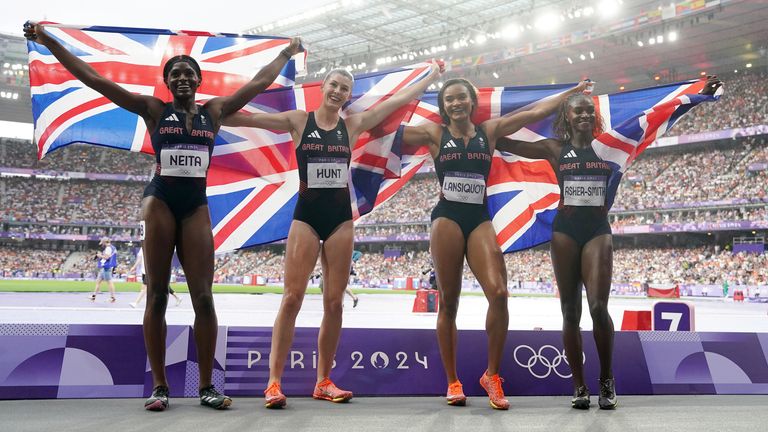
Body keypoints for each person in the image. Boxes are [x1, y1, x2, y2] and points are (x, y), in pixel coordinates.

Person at [25, 22, 304, 411]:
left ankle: (207, 385)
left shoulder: (215, 111)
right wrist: (49, 41)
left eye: (189, 73)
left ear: (199, 79)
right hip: (160, 201)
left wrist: (286, 53)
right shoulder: (152, 110)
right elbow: (94, 78)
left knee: (203, 297)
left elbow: (258, 83)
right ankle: (160, 386)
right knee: (156, 295)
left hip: (195, 206)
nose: (183, 78)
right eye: (175, 74)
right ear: (167, 83)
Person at [496, 76, 722, 410]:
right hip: (564, 232)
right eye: (578, 111)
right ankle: (578, 386)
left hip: (597, 230)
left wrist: (695, 97)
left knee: (599, 307)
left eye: (589, 111)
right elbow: (501, 140)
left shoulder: (612, 144)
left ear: (596, 116)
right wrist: (481, 124)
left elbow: (657, 115)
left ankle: (606, 378)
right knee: (569, 312)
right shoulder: (554, 149)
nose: (585, 115)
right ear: (567, 118)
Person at [224, 62, 442, 408]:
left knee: (334, 302)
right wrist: (208, 114)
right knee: (292, 298)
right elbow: (249, 120)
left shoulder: (352, 125)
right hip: (307, 216)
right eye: (334, 85)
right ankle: (273, 383)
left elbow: (397, 101)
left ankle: (323, 381)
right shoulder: (299, 121)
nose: (338, 91)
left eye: (344, 88)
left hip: (341, 219)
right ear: (323, 87)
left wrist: (430, 77)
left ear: (348, 95)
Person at [400, 78, 588, 409]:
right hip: (446, 217)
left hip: (478, 216)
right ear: (444, 106)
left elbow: (535, 111)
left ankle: (492, 375)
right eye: (449, 100)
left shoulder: (489, 131)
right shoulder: (433, 134)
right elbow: (388, 133)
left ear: (472, 102)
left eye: (461, 98)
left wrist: (572, 92)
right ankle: (452, 381)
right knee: (448, 302)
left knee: (499, 293)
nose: (456, 103)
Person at [90, 238, 117, 303]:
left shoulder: (108, 248)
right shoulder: (112, 247)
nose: (102, 245)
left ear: (104, 242)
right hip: (105, 267)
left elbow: (107, 257)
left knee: (109, 283)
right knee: (98, 282)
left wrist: (99, 255)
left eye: (102, 243)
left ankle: (113, 298)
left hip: (107, 267)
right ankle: (93, 296)